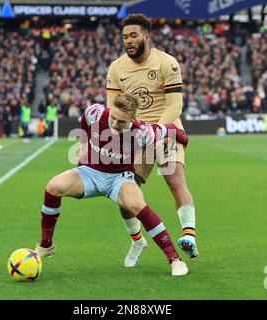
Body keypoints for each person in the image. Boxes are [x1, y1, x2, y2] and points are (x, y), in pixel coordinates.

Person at [34, 93, 189, 276]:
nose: (115, 124)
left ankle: (175, 259)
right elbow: (84, 119)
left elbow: (169, 128)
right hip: (90, 173)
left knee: (138, 205)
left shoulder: (143, 132)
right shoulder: (96, 113)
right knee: (53, 187)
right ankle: (46, 245)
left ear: (133, 119)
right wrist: (83, 145)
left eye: (122, 122)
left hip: (119, 178)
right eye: (113, 118)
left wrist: (184, 140)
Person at [106, 14, 198, 267]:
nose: (128, 41)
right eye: (125, 37)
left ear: (147, 36)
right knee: (125, 195)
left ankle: (189, 235)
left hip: (166, 131)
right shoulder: (116, 68)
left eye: (133, 35)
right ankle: (137, 240)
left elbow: (175, 105)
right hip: (135, 138)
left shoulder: (167, 63)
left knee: (174, 179)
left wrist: (155, 131)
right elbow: (112, 107)